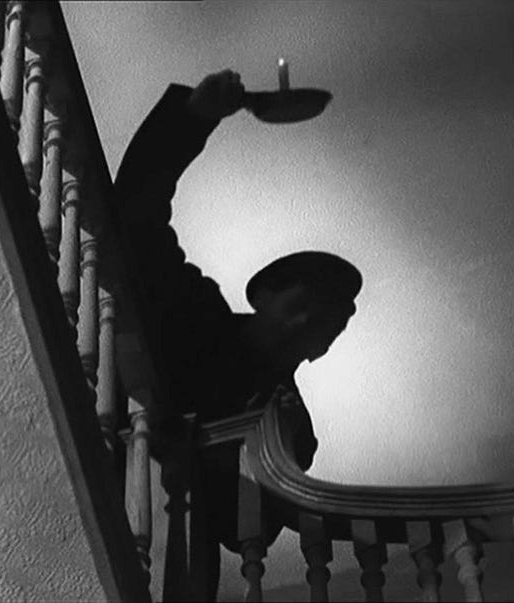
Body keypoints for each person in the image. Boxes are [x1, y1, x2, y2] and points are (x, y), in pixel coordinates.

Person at [113, 69, 362, 599]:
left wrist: (270, 438)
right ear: (263, 295)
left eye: (329, 323)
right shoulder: (196, 311)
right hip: (109, 480)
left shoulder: (295, 423)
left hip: (177, 559)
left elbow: (246, 530)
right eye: (302, 303)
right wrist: (192, 120)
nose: (309, 324)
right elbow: (136, 221)